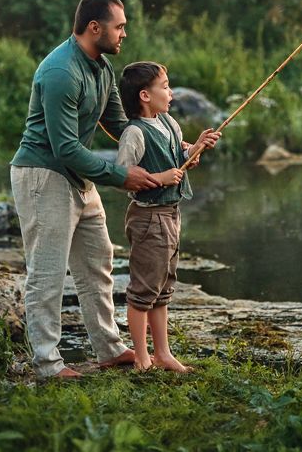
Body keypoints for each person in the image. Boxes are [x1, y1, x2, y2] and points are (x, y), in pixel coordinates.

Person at [10, 0, 161, 379]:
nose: (124, 33)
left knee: (98, 262)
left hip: (76, 173)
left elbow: (118, 124)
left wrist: (168, 143)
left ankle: (109, 348)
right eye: (119, 26)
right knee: (47, 272)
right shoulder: (61, 72)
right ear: (95, 28)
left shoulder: (103, 67)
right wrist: (120, 176)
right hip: (44, 174)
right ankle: (47, 363)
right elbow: (64, 148)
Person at [116, 61, 220, 371]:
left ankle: (162, 353)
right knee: (143, 291)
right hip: (147, 218)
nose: (170, 92)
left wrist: (197, 148)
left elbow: (180, 157)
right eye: (164, 86)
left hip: (171, 215)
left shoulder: (169, 123)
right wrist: (159, 178)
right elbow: (123, 176)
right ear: (145, 95)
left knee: (162, 288)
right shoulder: (134, 133)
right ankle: (142, 358)